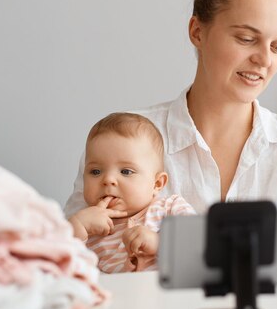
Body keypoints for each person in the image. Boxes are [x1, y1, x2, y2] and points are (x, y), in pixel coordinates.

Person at [65, 0, 277, 271]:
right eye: (246, 38)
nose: (264, 60)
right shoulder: (123, 143)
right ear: (198, 32)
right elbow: (62, 266)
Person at [68, 112, 196, 273]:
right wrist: (76, 227)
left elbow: (200, 244)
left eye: (126, 171)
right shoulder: (90, 231)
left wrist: (160, 243)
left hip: (170, 294)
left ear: (157, 183)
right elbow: (57, 266)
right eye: (95, 171)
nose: (108, 180)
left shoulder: (169, 207)